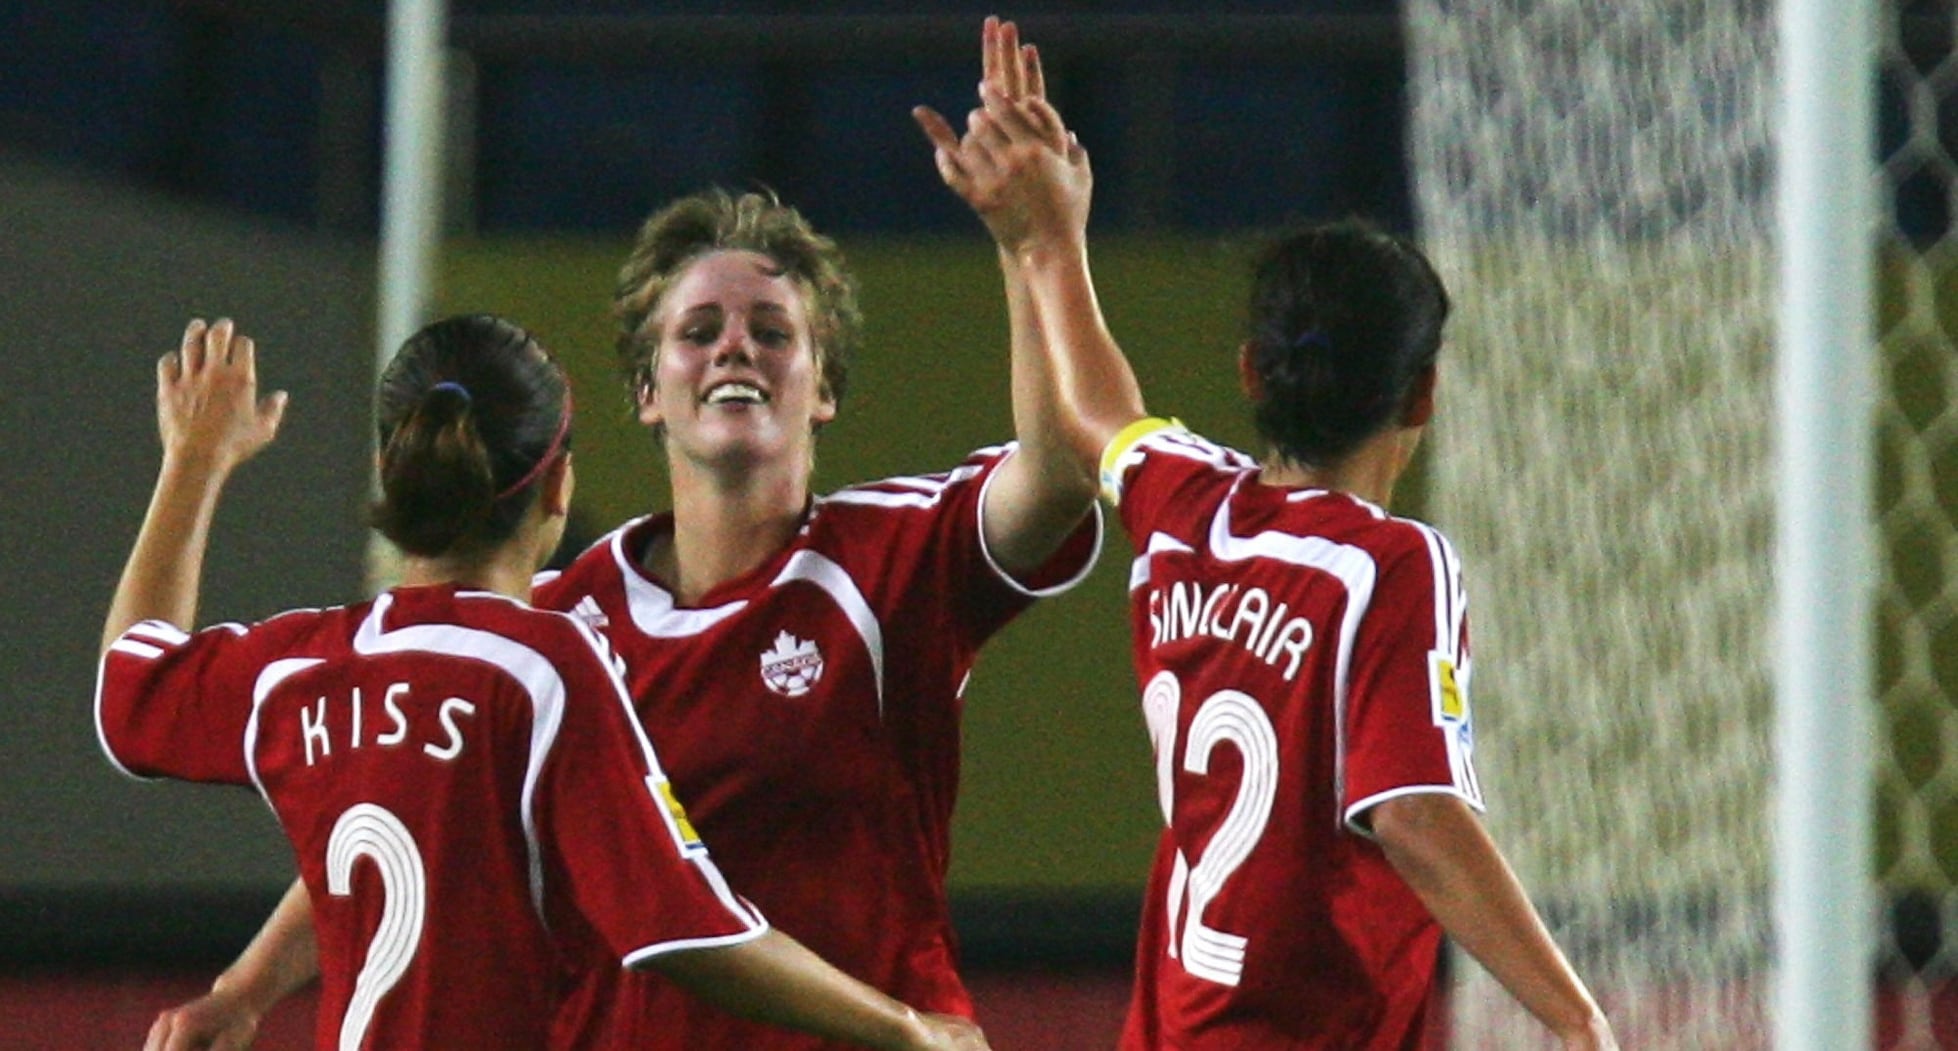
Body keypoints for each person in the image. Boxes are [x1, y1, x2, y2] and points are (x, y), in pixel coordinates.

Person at [143, 19, 1102, 1051]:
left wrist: (1036, 248)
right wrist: (244, 988)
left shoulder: (894, 560)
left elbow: (1059, 469)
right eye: (699, 331)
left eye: (772, 332)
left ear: (822, 386)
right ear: (647, 391)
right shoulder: (554, 623)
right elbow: (418, 802)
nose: (735, 348)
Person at [913, 72, 1620, 1049]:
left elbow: (1095, 414)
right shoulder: (1387, 565)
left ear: (1251, 371)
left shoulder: (1186, 510)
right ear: (1422, 393)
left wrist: (1046, 242)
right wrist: (1578, 1019)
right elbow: (1412, 812)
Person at [103, 314, 993, 1051]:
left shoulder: (303, 669)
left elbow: (128, 688)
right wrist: (906, 1027)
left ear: (395, 473)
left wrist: (194, 461)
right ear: (558, 487)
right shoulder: (545, 669)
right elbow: (680, 926)